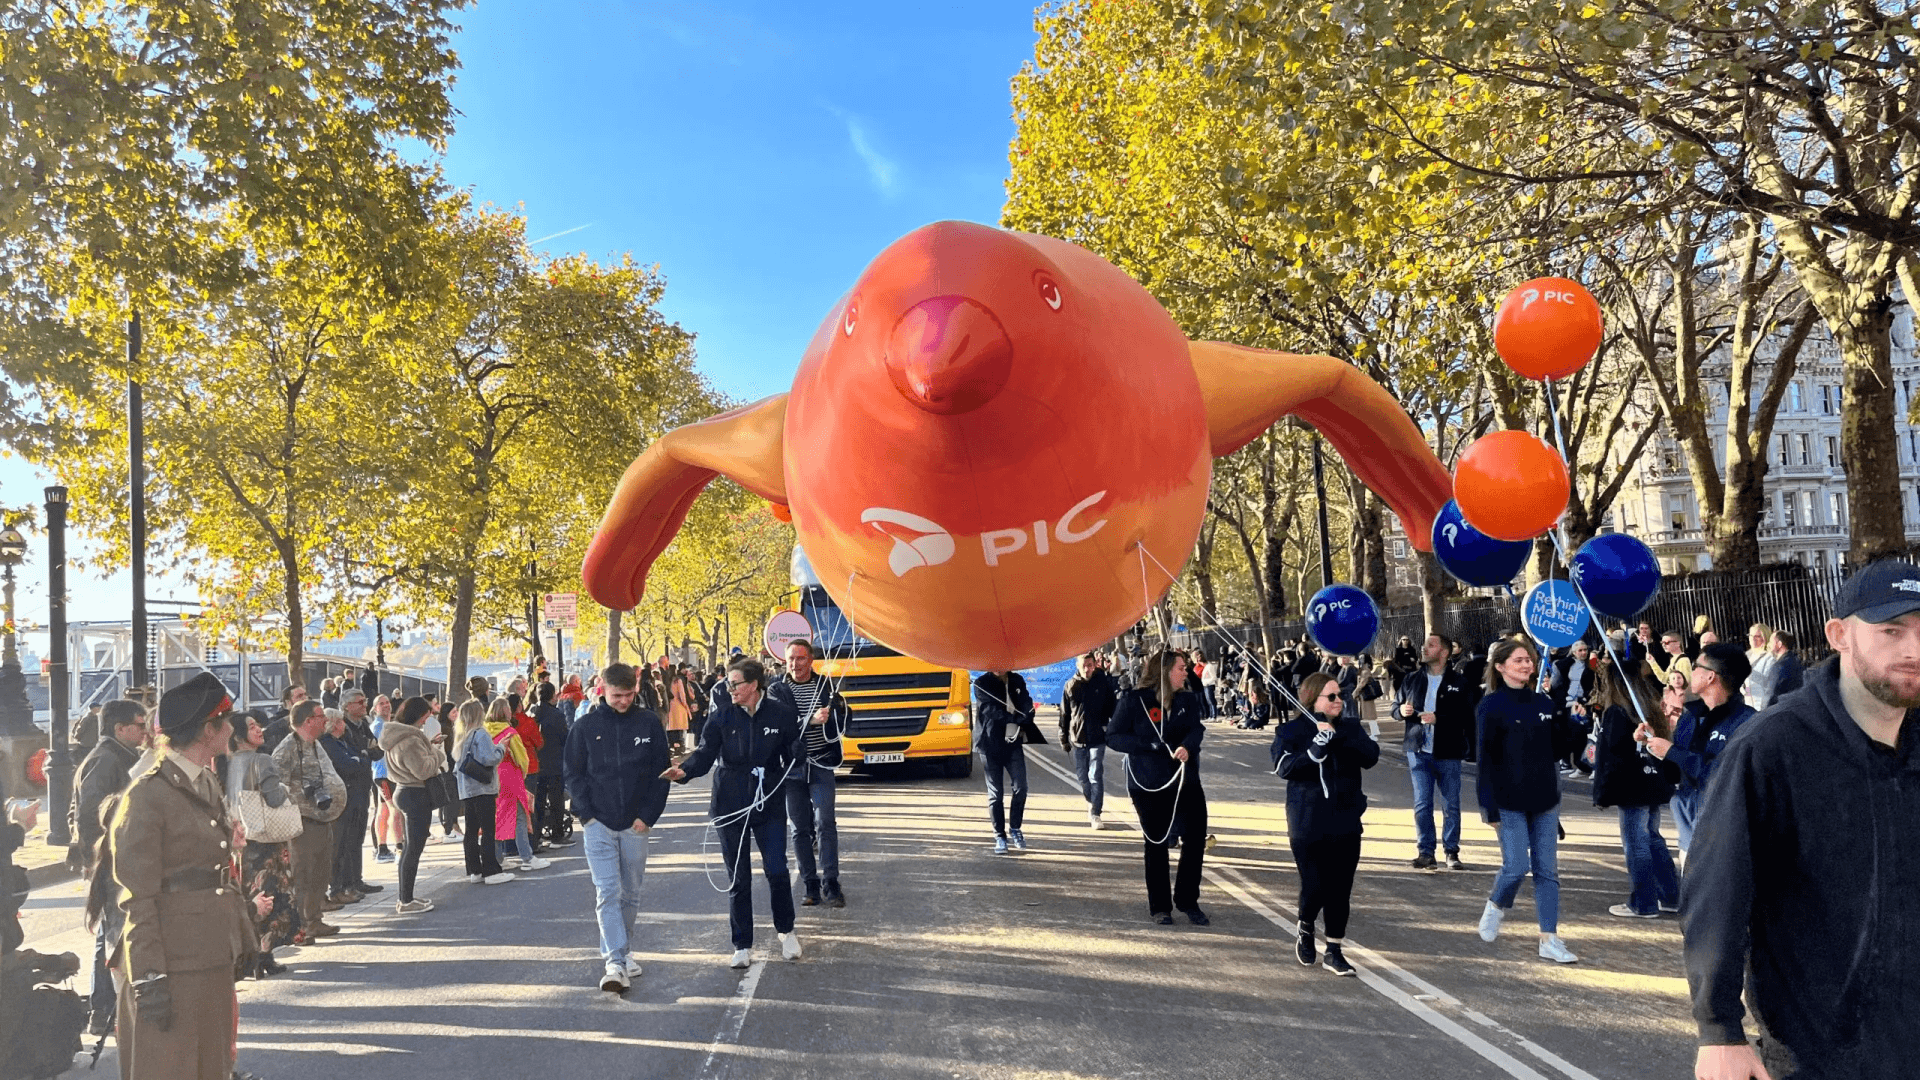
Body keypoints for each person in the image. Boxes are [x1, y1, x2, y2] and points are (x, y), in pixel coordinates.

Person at [1682, 560, 1920, 1080]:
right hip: (1820, 1049)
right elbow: (1718, 889)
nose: (1914, 650)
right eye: (1891, 630)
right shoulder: (1773, 747)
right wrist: (1718, 1028)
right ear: (1839, 635)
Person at [98, 672, 255, 1080]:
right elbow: (137, 895)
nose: (233, 727)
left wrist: (243, 936)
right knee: (172, 1067)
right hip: (173, 961)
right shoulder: (148, 794)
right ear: (208, 729)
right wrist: (149, 975)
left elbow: (212, 872)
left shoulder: (203, 781)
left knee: (212, 1066)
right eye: (227, 718)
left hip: (208, 954)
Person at [663, 658, 806, 968]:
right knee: (738, 877)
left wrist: (798, 751)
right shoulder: (722, 716)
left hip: (768, 801)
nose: (729, 689)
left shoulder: (781, 714)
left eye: (735, 684)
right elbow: (703, 754)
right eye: (728, 683)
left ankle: (787, 931)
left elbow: (792, 752)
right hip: (730, 801)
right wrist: (683, 772)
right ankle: (742, 944)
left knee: (777, 870)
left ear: (753, 685)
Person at [1473, 637, 1585, 964]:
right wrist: (1488, 807)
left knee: (1547, 871)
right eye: (1519, 660)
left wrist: (1576, 723)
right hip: (1508, 801)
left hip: (1545, 799)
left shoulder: (1543, 703)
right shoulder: (1490, 706)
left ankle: (1549, 939)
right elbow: (1485, 760)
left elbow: (1558, 749)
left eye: (1529, 659)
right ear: (1500, 667)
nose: (1526, 664)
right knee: (1516, 866)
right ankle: (1496, 904)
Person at [565, 663, 673, 993]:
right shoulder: (584, 727)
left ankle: (622, 952)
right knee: (607, 891)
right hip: (598, 824)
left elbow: (662, 773)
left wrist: (648, 816)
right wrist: (587, 816)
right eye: (617, 695)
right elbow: (572, 774)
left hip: (636, 824)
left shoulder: (649, 722)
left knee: (631, 894)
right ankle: (615, 961)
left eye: (629, 695)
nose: (624, 701)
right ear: (602, 689)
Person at [1272, 672, 1378, 976]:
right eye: (1330, 696)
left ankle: (1334, 949)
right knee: (1315, 884)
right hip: (1307, 820)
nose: (1338, 701)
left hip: (1345, 818)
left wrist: (1342, 738)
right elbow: (1283, 768)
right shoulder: (1290, 731)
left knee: (1340, 888)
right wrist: (1314, 749)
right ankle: (1305, 925)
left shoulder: (1350, 727)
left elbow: (1371, 757)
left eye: (1339, 696)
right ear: (1312, 698)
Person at [1107, 649, 1211, 926]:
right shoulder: (1133, 701)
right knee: (1156, 842)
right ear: (1165, 671)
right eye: (1181, 667)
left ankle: (1188, 900)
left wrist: (1187, 746)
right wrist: (1146, 746)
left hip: (1185, 780)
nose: (1185, 672)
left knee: (1194, 838)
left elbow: (1196, 729)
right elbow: (1113, 737)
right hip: (1149, 783)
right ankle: (1160, 907)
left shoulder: (1188, 700)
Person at [72, 699, 148, 1033]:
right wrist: (106, 855)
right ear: (120, 729)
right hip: (111, 861)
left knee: (110, 935)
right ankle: (104, 1011)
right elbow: (90, 814)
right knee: (113, 936)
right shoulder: (105, 760)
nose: (145, 731)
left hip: (117, 858)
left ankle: (104, 1012)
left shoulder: (119, 756)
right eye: (139, 725)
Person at [1582, 655, 1678, 919]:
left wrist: (1602, 792)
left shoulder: (1617, 712)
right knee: (1654, 838)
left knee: (1636, 843)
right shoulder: (1650, 707)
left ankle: (1643, 902)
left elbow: (1611, 756)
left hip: (1630, 785)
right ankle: (1670, 895)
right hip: (1652, 781)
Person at [1643, 642, 1757, 862]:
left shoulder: (1746, 722)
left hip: (1725, 841)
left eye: (1696, 666)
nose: (1690, 672)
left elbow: (1722, 775)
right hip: (1688, 836)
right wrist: (1654, 747)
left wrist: (1673, 751)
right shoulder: (1690, 717)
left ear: (1711, 677)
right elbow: (1674, 774)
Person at [769, 640, 850, 908]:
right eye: (790, 659)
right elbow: (777, 726)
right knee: (800, 829)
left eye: (800, 659)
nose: (794, 664)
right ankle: (810, 885)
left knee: (826, 822)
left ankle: (831, 883)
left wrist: (836, 713)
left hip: (822, 764)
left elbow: (846, 720)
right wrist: (810, 720)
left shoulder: (826, 686)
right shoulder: (776, 689)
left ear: (811, 660)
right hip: (792, 769)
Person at [1395, 633, 1477, 871]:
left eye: (1430, 645)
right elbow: (1394, 708)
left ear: (1444, 652)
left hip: (1448, 752)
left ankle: (1451, 852)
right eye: (1424, 644)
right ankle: (1426, 852)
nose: (1423, 648)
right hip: (1418, 750)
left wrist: (1439, 719)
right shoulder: (1411, 679)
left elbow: (1467, 716)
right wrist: (1401, 710)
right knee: (1422, 803)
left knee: (1451, 804)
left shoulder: (1460, 682)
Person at [227, 710, 299, 975]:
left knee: (250, 892)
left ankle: (251, 954)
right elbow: (275, 798)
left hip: (241, 839)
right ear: (239, 735)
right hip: (266, 840)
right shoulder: (262, 760)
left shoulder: (227, 763)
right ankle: (264, 954)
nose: (259, 730)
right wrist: (285, 790)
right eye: (252, 726)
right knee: (272, 894)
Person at [272, 700, 347, 939]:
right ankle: (302, 925)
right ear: (307, 721)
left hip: (322, 817)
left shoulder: (315, 744)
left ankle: (315, 920)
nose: (325, 720)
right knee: (304, 874)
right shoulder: (286, 750)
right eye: (320, 716)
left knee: (321, 872)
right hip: (301, 820)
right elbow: (276, 788)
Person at [379, 696, 446, 914]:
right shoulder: (411, 740)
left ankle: (405, 897)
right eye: (425, 718)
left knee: (409, 848)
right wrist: (436, 753)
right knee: (413, 850)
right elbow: (424, 769)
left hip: (403, 789)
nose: (426, 722)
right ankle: (406, 900)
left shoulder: (395, 736)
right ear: (417, 716)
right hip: (415, 792)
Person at [973, 668, 1044, 854]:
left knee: (1021, 787)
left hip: (1013, 744)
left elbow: (1026, 701)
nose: (998, 665)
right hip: (989, 744)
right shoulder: (981, 684)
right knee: (995, 794)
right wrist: (1013, 718)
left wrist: (1027, 715)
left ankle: (1015, 828)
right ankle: (999, 836)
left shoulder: (1017, 680)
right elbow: (989, 709)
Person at [453, 700, 514, 885]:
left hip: (467, 790)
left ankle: (474, 870)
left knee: (471, 830)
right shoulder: (481, 734)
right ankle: (491, 870)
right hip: (483, 788)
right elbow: (490, 758)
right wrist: (502, 747)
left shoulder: (461, 737)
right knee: (488, 829)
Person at [318, 709, 373, 906]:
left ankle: (351, 883)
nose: (344, 725)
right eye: (341, 721)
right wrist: (361, 759)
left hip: (356, 796)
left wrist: (361, 759)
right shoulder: (328, 744)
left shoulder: (343, 742)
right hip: (343, 800)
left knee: (352, 842)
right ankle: (337, 888)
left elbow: (361, 758)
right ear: (333, 724)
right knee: (339, 845)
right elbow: (348, 765)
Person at [486, 697, 548, 872]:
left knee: (498, 818)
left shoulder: (485, 731)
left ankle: (498, 857)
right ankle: (527, 857)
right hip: (511, 776)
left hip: (494, 776)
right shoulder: (510, 732)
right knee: (521, 816)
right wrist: (523, 773)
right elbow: (522, 759)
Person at [1059, 651, 1118, 830]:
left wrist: (1109, 726)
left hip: (1097, 738)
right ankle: (1090, 801)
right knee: (1083, 777)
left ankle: (1096, 813)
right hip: (1078, 739)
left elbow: (1112, 706)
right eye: (1084, 665)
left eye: (1090, 665)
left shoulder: (1102, 682)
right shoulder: (1070, 686)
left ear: (1095, 665)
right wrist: (1063, 737)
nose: (1087, 669)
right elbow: (1064, 714)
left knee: (1095, 775)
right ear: (1078, 666)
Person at [531, 682, 572, 846]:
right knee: (556, 800)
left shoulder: (533, 712)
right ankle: (557, 834)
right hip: (554, 761)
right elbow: (564, 738)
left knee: (538, 800)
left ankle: (537, 834)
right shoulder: (556, 715)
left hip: (537, 762)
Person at [369, 692, 397, 863]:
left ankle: (383, 846)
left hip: (389, 773)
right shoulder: (379, 726)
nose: (386, 705)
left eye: (387, 702)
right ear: (375, 708)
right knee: (392, 810)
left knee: (384, 811)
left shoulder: (388, 724)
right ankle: (390, 846)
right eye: (382, 703)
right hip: (383, 774)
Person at [1740, 623, 1777, 708]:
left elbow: (1768, 682)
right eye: (1751, 635)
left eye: (1757, 636)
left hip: (1764, 705)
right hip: (1749, 703)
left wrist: (1748, 672)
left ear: (1765, 638)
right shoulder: (1747, 656)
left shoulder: (1770, 657)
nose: (1753, 639)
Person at [1766, 629, 1803, 700]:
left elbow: (1771, 696)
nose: (1769, 644)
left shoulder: (1778, 666)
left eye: (1771, 641)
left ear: (1779, 644)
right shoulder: (1796, 660)